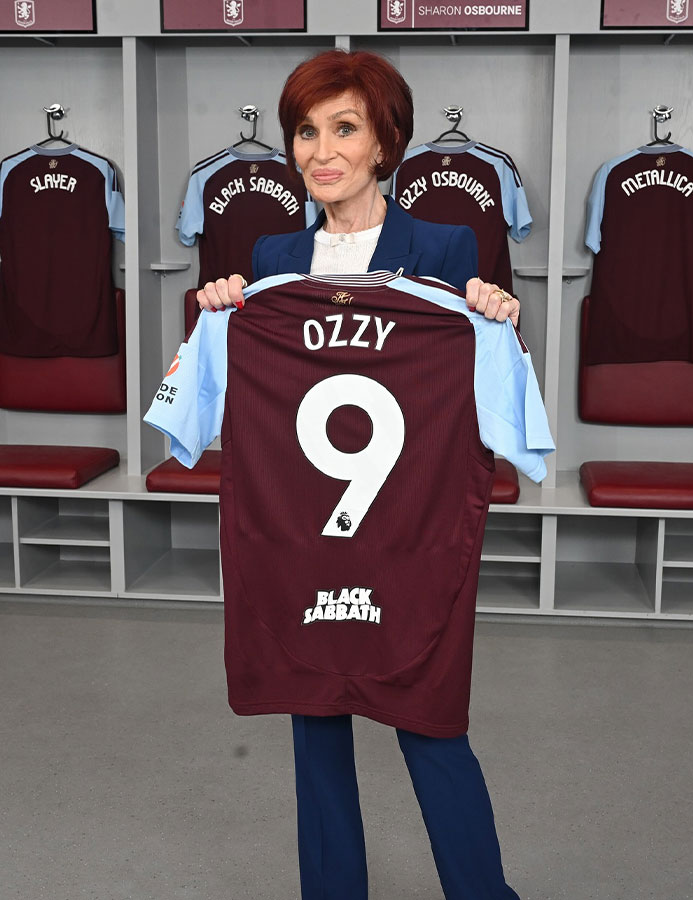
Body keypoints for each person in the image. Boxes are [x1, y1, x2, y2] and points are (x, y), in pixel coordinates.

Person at [197, 50, 522, 900]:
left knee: (430, 723)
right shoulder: (270, 252)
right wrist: (224, 306)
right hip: (305, 532)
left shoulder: (447, 245)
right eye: (306, 131)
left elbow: (476, 378)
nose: (320, 151)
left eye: (345, 128)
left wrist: (497, 314)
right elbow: (231, 380)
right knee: (315, 720)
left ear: (387, 143)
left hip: (409, 532)